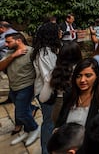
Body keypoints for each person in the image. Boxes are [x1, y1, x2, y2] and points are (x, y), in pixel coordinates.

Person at [1, 33, 40, 147]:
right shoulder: (9, 53)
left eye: (8, 41)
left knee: (21, 113)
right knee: (23, 110)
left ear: (18, 40)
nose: (6, 44)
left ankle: (34, 129)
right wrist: (13, 56)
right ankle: (27, 131)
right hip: (13, 87)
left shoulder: (31, 52)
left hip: (26, 87)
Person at [55, 58, 99, 128]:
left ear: (96, 76)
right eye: (78, 76)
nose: (82, 80)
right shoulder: (69, 93)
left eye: (88, 76)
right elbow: (60, 120)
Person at [31, 22, 61, 154]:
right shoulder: (43, 53)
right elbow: (48, 77)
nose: (61, 33)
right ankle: (46, 150)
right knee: (49, 122)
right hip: (47, 92)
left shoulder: (51, 50)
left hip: (51, 90)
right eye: (58, 31)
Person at [48, 42, 83, 124]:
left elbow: (43, 97)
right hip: (80, 103)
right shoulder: (83, 70)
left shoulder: (55, 72)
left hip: (60, 105)